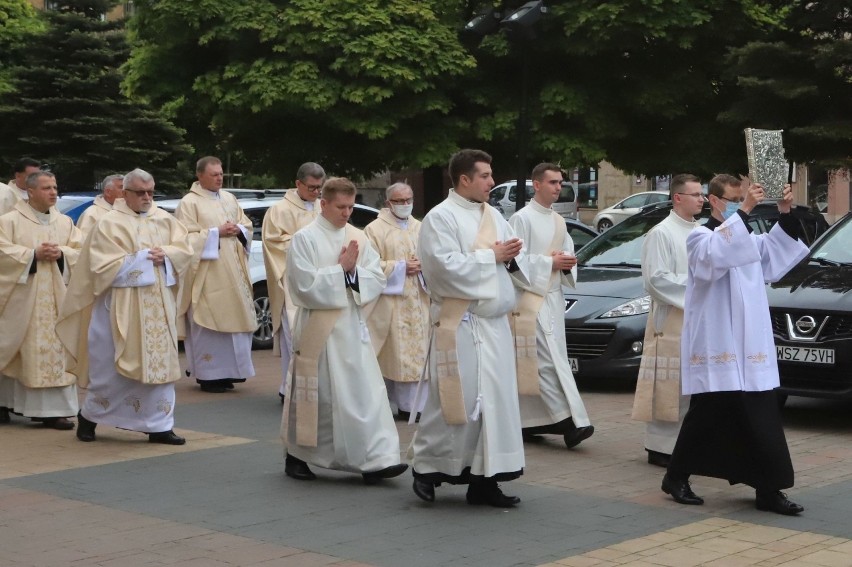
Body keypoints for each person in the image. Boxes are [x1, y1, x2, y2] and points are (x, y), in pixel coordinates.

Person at [662, 175, 808, 516]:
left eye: (742, 199)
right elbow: (715, 257)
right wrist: (745, 210)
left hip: (750, 345)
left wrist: (785, 212)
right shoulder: (699, 237)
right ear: (714, 201)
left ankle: (768, 490)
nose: (741, 203)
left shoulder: (747, 238)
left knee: (761, 416)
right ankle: (676, 476)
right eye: (732, 199)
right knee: (708, 414)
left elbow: (775, 254)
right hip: (719, 343)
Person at [409, 149, 529, 507]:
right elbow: (441, 268)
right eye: (486, 176)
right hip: (460, 324)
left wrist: (517, 259)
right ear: (464, 179)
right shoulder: (440, 218)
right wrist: (490, 256)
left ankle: (485, 480)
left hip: (494, 327)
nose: (492, 182)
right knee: (453, 398)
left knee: (495, 403)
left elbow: (514, 261)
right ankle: (427, 469)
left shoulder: (494, 215)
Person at [281, 177, 407, 484]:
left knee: (365, 394)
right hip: (319, 330)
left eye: (351, 206)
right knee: (319, 395)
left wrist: (352, 272)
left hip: (351, 327)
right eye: (340, 206)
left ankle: (376, 459)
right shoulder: (305, 239)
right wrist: (341, 271)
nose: (347, 213)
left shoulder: (358, 237)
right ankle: (299, 456)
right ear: (324, 204)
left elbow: (377, 278)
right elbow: (302, 286)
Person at [57, 168, 193, 445]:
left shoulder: (166, 220)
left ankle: (159, 425)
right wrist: (143, 258)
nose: (146, 197)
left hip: (157, 305)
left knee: (161, 369)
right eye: (140, 192)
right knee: (111, 369)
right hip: (119, 307)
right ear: (125, 193)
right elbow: (100, 266)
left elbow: (185, 252)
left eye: (150, 192)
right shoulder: (109, 223)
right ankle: (90, 416)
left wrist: (167, 255)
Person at [509, 163, 593, 449]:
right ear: (536, 184)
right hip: (531, 300)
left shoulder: (558, 221)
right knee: (545, 363)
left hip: (553, 299)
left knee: (544, 362)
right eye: (553, 182)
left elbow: (567, 252)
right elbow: (514, 262)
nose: (559, 187)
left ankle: (529, 422)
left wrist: (568, 263)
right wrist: (550, 263)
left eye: (560, 183)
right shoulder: (521, 219)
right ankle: (572, 423)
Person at [0, 171, 83, 429]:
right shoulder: (9, 221)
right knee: (17, 350)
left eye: (55, 187)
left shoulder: (65, 223)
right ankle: (5, 404)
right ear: (31, 191)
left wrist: (62, 254)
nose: (53, 192)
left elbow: (82, 253)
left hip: (58, 300)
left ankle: (53, 411)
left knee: (57, 350)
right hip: (22, 301)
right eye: (47, 188)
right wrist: (31, 255)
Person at [631, 174, 703, 467]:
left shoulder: (700, 231)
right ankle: (660, 447)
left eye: (702, 194)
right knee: (669, 385)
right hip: (670, 319)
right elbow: (655, 279)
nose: (701, 199)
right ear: (677, 198)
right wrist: (700, 286)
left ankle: (686, 445)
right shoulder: (661, 233)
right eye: (695, 194)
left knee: (691, 387)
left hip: (696, 319)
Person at [176, 156, 256, 393]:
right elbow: (183, 239)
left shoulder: (230, 198)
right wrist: (215, 233)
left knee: (235, 322)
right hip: (207, 274)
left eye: (221, 173)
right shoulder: (189, 203)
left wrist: (238, 229)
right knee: (208, 323)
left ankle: (230, 373)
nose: (219, 178)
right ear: (200, 176)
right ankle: (209, 375)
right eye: (214, 174)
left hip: (233, 269)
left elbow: (246, 225)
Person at [363, 182, 429, 420]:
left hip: (420, 299)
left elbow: (433, 256)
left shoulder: (421, 227)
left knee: (420, 354)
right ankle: (400, 404)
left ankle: (418, 405)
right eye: (399, 201)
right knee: (396, 356)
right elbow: (368, 266)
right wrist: (400, 267)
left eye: (409, 200)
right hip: (391, 303)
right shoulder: (374, 230)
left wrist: (424, 266)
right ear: (388, 203)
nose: (405, 205)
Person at [261, 162, 324, 402]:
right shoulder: (280, 210)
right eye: (311, 187)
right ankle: (292, 388)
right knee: (295, 336)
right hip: (293, 282)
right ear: (298, 184)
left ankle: (309, 385)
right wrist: (309, 248)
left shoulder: (323, 206)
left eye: (319, 188)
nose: (316, 192)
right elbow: (274, 243)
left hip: (321, 279)